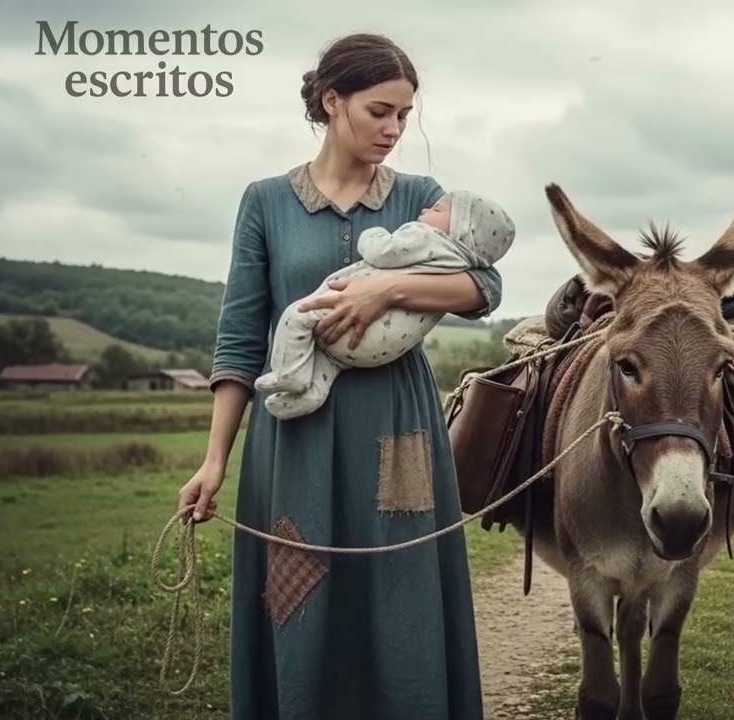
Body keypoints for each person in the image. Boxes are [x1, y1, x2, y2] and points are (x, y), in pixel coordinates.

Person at [175, 32, 499, 720]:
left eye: (405, 116)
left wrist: (388, 291)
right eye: (380, 110)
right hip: (295, 433)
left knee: (401, 588)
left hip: (397, 428)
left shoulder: (419, 195)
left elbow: (483, 287)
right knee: (298, 587)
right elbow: (239, 338)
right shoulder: (265, 202)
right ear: (331, 101)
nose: (394, 129)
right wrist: (213, 461)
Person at [254, 189, 515, 420]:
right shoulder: (460, 258)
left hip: (366, 356)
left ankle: (289, 375)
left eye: (436, 209)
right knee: (331, 361)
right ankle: (311, 394)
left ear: (460, 228)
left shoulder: (425, 232)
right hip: (377, 350)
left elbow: (489, 287)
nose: (425, 211)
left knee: (297, 316)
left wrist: (385, 288)